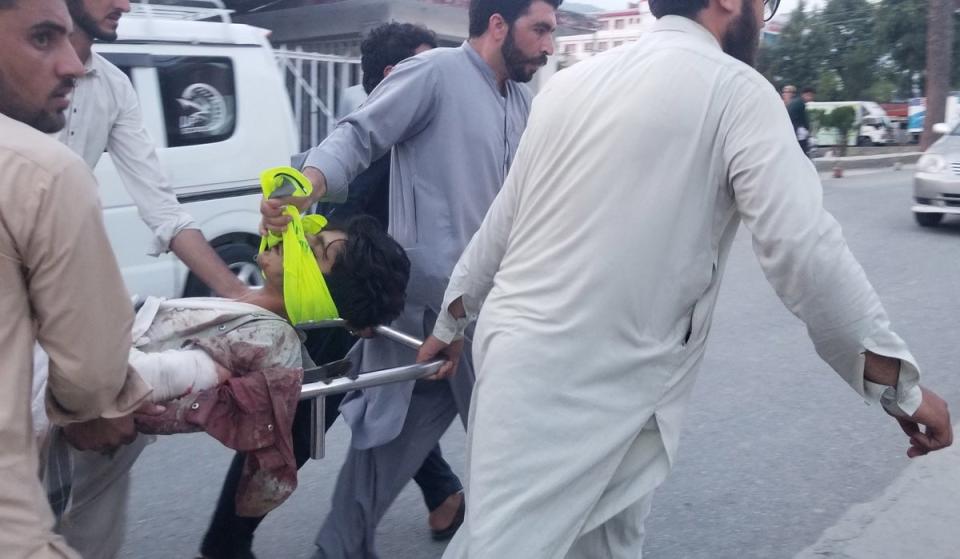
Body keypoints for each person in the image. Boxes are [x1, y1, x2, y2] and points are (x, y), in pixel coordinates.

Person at [416, 1, 954, 557]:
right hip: (582, 392)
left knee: (606, 545)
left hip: (531, 370)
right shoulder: (737, 91)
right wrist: (901, 390)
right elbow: (803, 250)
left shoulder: (570, 87)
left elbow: (500, 225)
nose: (764, 19)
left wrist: (452, 321)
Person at [260, 1, 560, 557]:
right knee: (391, 444)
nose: (548, 46)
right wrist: (307, 183)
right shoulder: (434, 74)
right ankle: (340, 549)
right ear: (498, 25)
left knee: (517, 453)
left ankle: (342, 546)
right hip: (425, 314)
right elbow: (358, 134)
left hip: (491, 314)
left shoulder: (522, 101)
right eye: (540, 29)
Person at [199, 22, 463, 559]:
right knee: (294, 426)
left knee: (390, 403)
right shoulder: (375, 153)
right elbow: (323, 241)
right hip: (345, 315)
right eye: (425, 68)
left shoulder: (418, 142)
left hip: (381, 313)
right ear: (395, 78)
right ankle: (228, 542)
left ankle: (442, 493)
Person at [0, 0, 152, 556]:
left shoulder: (112, 90)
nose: (72, 66)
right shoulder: (43, 171)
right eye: (42, 39)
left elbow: (161, 205)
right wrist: (91, 408)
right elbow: (90, 380)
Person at [788, 85, 815, 154]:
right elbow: (804, 119)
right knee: (803, 148)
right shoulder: (801, 104)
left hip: (792, 128)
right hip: (797, 129)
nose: (811, 98)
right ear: (806, 94)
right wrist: (808, 129)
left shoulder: (794, 101)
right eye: (810, 96)